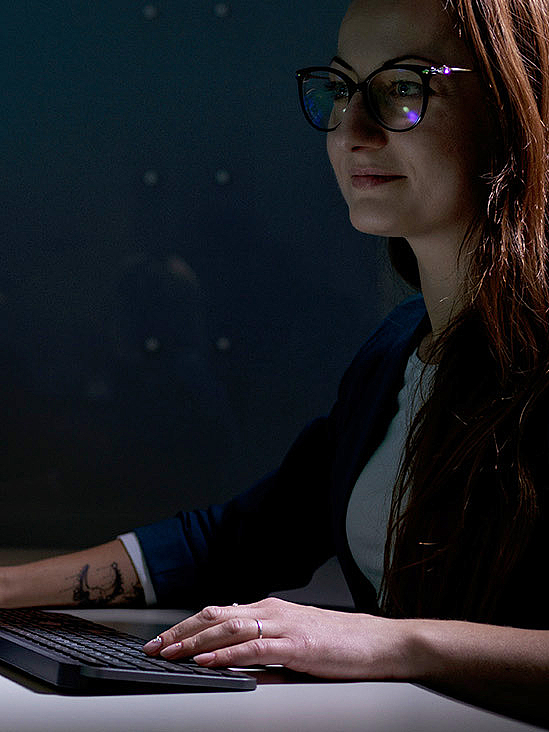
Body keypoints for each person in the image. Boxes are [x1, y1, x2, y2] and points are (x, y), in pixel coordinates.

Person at [2, 0, 549, 718]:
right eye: (342, 87)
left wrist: (391, 643)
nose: (351, 129)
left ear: (520, 102)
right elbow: (235, 541)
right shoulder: (392, 354)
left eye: (404, 87)